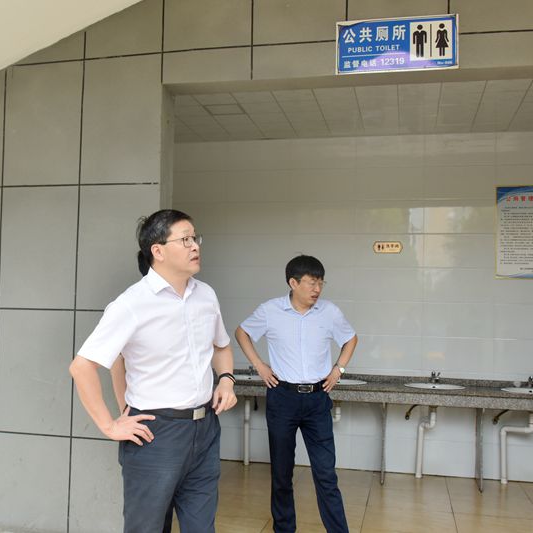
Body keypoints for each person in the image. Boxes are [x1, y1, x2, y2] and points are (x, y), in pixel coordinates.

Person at [70, 209, 237, 533]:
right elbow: (82, 367)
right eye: (185, 239)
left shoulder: (206, 295)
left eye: (195, 238)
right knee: (147, 527)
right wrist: (109, 425)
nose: (194, 246)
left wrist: (227, 380)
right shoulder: (131, 304)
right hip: (156, 433)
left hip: (205, 429)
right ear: (157, 251)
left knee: (202, 527)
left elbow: (222, 347)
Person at [235, 255, 357, 533]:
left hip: (317, 398)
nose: (317, 289)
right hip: (283, 397)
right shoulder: (270, 310)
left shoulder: (329, 312)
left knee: (326, 474)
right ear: (293, 283)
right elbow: (242, 332)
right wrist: (259, 365)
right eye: (311, 283)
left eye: (321, 283)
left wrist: (338, 369)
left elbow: (351, 338)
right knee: (281, 474)